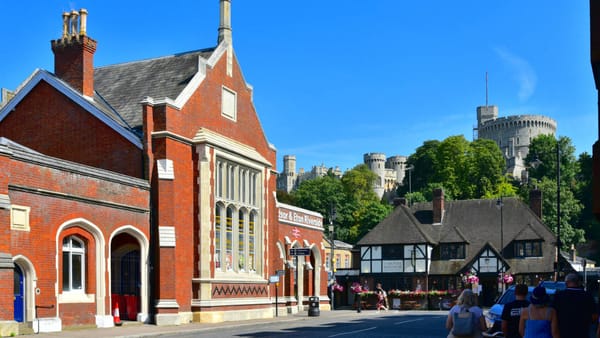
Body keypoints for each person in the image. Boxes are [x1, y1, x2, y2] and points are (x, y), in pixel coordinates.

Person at [553, 273, 597, 338]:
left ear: (566, 283)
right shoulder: (587, 296)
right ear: (578, 282)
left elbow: (554, 315)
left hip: (564, 333)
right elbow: (594, 316)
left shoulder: (559, 296)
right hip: (582, 333)